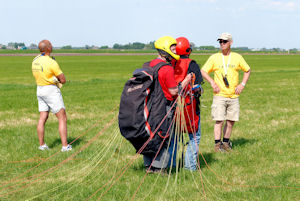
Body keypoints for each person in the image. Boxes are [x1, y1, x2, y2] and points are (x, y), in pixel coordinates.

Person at [143, 36, 192, 173]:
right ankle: (160, 168)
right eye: (172, 48)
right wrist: (186, 81)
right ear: (165, 50)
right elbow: (173, 91)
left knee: (151, 135)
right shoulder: (167, 68)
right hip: (164, 107)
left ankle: (149, 166)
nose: (175, 51)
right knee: (163, 137)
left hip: (150, 107)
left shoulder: (150, 64)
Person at [201, 33, 251, 152]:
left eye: (224, 41)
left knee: (231, 121)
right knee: (219, 120)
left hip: (234, 95)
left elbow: (247, 70)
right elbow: (203, 71)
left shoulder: (237, 57)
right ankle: (217, 145)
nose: (222, 44)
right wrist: (212, 83)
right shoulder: (214, 57)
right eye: (220, 42)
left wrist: (242, 84)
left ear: (231, 42)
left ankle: (226, 143)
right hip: (219, 95)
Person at [168, 37, 204, 171]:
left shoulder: (170, 63)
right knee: (194, 136)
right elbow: (196, 87)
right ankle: (190, 166)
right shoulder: (191, 64)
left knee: (173, 137)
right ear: (188, 50)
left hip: (172, 106)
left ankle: (170, 165)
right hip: (190, 107)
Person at [32, 39, 72, 152]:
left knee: (43, 117)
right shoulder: (51, 62)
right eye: (50, 44)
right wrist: (56, 79)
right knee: (62, 117)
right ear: (48, 48)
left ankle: (42, 145)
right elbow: (63, 80)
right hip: (50, 90)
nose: (52, 45)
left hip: (39, 89)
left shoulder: (34, 60)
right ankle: (65, 146)